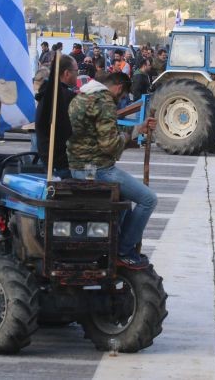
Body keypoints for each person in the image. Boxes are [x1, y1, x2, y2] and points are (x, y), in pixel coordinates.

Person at [67, 72, 156, 270]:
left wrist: (136, 130)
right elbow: (110, 146)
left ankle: (118, 246)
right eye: (123, 95)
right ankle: (124, 251)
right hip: (99, 169)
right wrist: (127, 138)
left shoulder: (80, 97)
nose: (121, 99)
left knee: (126, 203)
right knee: (149, 199)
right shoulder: (105, 101)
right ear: (118, 87)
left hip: (77, 167)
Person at [35, 55, 77, 178]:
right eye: (76, 71)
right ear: (67, 73)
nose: (77, 74)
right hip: (60, 162)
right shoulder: (63, 97)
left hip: (50, 159)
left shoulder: (49, 93)